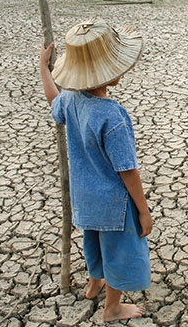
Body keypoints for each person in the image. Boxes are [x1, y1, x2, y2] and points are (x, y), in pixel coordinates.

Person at [39, 18, 152, 322]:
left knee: (94, 243)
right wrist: (143, 210)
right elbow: (127, 169)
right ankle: (112, 307)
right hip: (114, 204)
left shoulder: (72, 101)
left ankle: (93, 285)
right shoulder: (112, 116)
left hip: (84, 198)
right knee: (117, 252)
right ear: (112, 71)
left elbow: (54, 101)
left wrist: (43, 69)